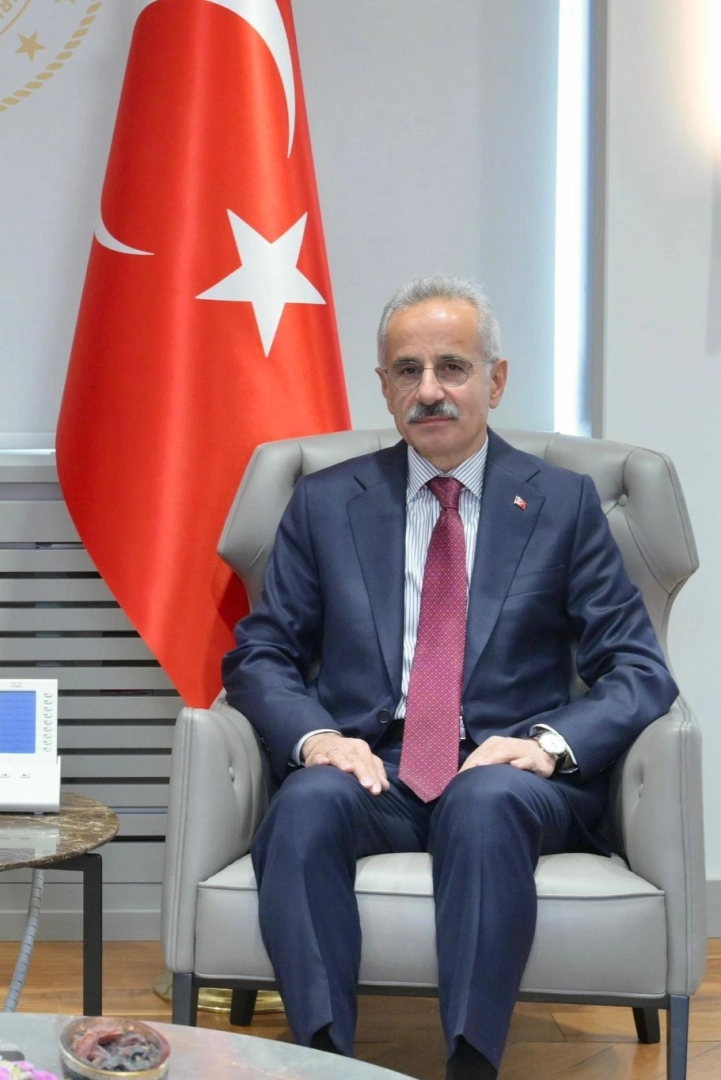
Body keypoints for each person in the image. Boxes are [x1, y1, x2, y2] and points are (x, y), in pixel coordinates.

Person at [221, 276, 677, 1080]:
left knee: (484, 800)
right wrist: (318, 738)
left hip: (510, 770)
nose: (428, 390)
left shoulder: (562, 503)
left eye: (451, 368)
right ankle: (325, 1064)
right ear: (383, 386)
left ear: (494, 381)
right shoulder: (326, 503)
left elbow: (636, 668)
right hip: (376, 765)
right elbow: (261, 652)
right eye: (408, 370)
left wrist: (547, 746)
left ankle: (469, 1065)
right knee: (306, 803)